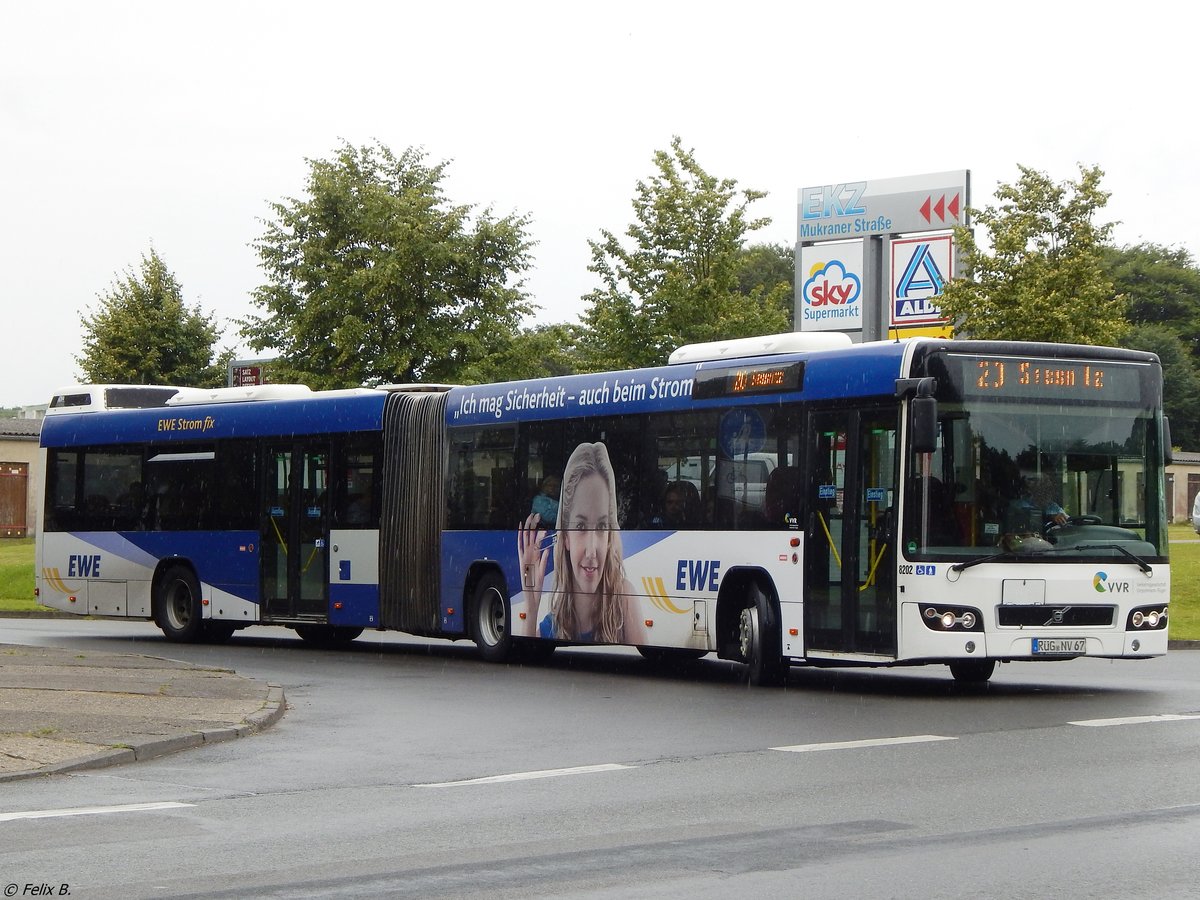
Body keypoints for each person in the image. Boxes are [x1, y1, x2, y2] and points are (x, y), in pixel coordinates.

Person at [515, 442, 642, 644]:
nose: (591, 551)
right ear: (565, 537)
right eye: (581, 527)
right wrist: (530, 608)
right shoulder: (550, 627)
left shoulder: (624, 599)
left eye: (601, 527)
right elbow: (527, 659)